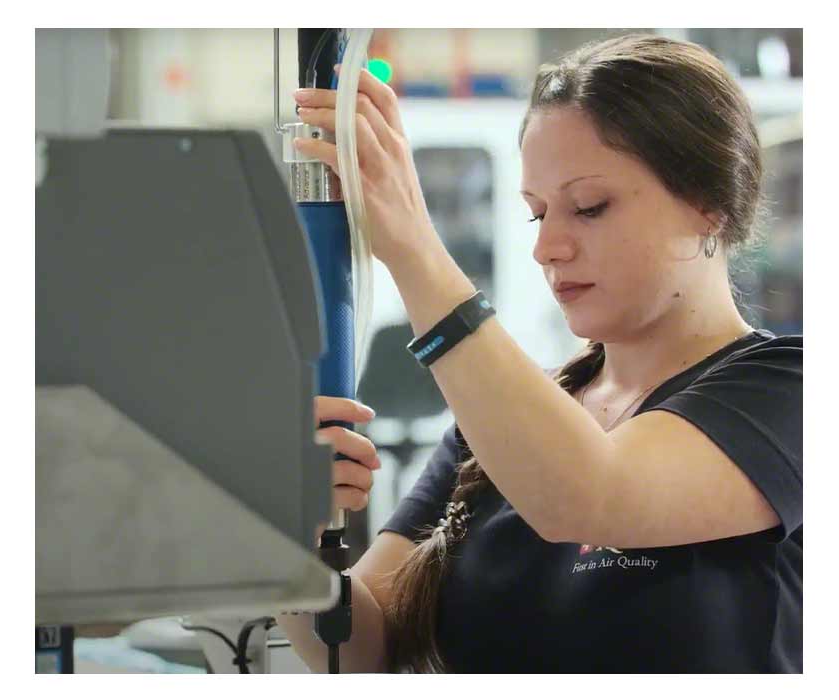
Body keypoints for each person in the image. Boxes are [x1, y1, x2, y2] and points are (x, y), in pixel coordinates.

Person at [280, 34, 802, 673]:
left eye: (588, 208)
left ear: (708, 205)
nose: (547, 247)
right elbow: (367, 651)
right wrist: (293, 538)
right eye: (536, 215)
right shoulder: (494, 432)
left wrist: (413, 247)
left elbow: (591, 497)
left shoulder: (791, 394)